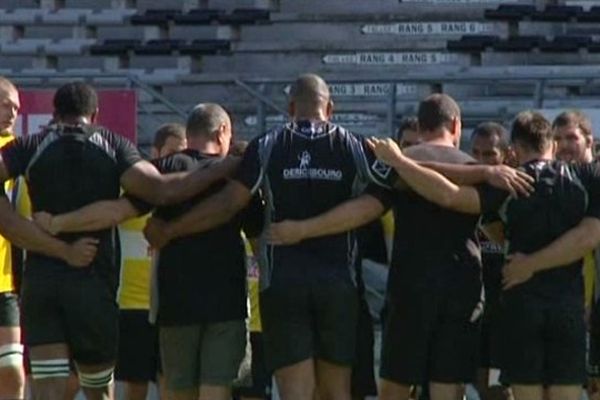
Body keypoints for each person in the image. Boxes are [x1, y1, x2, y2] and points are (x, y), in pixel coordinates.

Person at [142, 73, 394, 400]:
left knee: (295, 393)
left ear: (290, 107)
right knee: (336, 390)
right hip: (338, 283)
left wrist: (172, 229)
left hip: (283, 282)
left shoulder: (268, 145)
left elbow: (227, 203)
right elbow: (378, 201)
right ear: (330, 108)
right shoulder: (355, 146)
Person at [265, 94, 531, 400]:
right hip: (462, 286)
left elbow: (365, 208)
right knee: (449, 387)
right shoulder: (486, 171)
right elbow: (462, 202)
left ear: (420, 125)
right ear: (456, 125)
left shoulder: (399, 164)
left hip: (410, 286)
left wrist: (303, 229)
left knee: (395, 386)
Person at [0, 82, 239, 400]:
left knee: (48, 389)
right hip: (93, 282)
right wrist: (224, 167)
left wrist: (56, 245)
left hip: (42, 282)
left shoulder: (29, 145)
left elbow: (8, 221)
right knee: (98, 389)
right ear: (95, 115)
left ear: (54, 114)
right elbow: (161, 190)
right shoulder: (111, 143)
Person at [364, 110, 597, 400]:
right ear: (550, 142)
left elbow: (450, 196)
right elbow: (588, 235)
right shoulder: (585, 177)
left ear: (513, 150)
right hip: (568, 305)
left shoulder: (509, 183)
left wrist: (401, 162)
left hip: (521, 302)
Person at [469, 122, 513, 400]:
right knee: (479, 385)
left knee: (500, 388)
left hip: (506, 311)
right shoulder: (463, 190)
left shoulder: (517, 194)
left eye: (490, 155)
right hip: (473, 307)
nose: (482, 162)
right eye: (476, 153)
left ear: (507, 155)